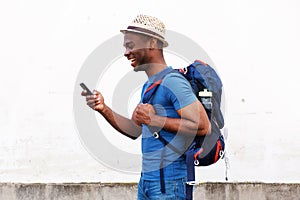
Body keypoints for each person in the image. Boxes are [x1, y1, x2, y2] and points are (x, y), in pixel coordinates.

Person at [81, 14, 210, 200]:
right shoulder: (149, 85)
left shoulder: (173, 82)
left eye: (130, 45)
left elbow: (203, 126)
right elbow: (135, 130)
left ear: (151, 43)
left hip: (169, 184)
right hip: (148, 182)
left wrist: (155, 119)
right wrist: (103, 108)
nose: (126, 52)